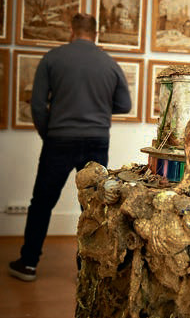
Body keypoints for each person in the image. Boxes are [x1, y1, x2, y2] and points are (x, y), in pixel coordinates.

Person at [8, 14, 131, 281]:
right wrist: (98, 108)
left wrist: (49, 133)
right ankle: (86, 270)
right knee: (94, 205)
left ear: (71, 31)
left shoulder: (53, 58)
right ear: (95, 33)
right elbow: (125, 105)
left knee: (42, 202)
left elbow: (37, 105)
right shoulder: (109, 63)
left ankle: (28, 264)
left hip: (60, 139)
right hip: (97, 140)